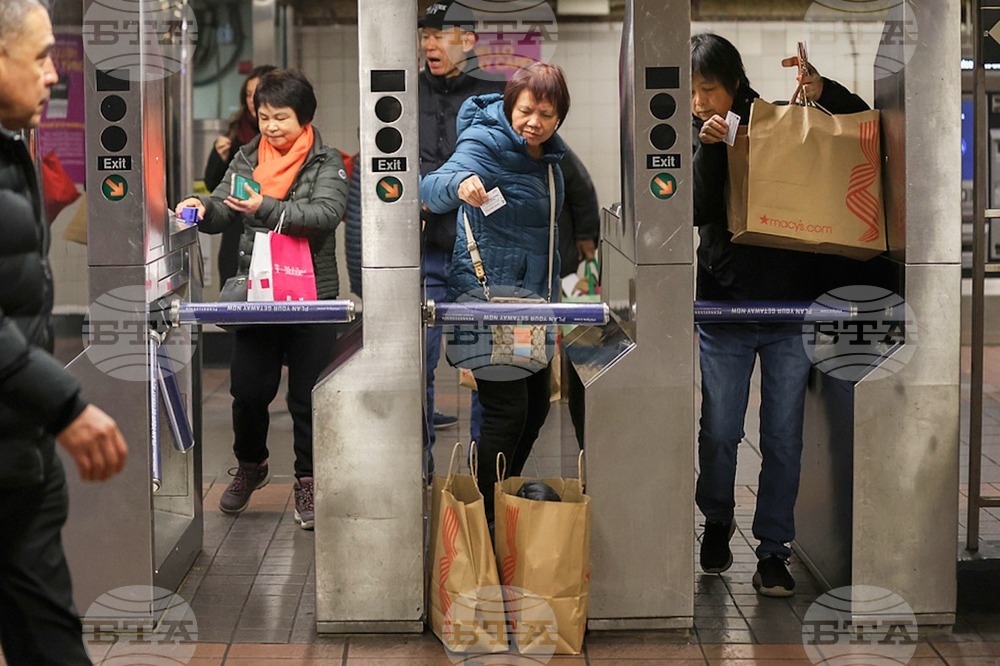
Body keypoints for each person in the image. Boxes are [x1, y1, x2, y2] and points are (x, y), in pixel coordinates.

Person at [691, 33, 868, 596]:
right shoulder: (702, 134)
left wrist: (826, 91)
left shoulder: (782, 122)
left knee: (784, 437)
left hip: (792, 308)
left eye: (708, 90)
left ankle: (773, 550)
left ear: (735, 83)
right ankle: (717, 519)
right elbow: (696, 209)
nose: (700, 101)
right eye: (691, 92)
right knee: (720, 431)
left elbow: (859, 133)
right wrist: (708, 147)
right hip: (724, 309)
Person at [0, 0, 129, 660]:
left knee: (50, 640)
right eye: (42, 56)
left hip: (18, 455)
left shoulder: (10, 148)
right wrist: (67, 406)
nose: (55, 74)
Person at [176, 69, 349, 530]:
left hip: (312, 298)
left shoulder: (327, 161)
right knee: (249, 391)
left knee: (307, 397)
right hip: (260, 293)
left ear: (304, 117)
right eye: (265, 116)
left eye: (281, 118)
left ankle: (309, 478)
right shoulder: (247, 157)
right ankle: (250, 465)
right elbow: (220, 204)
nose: (271, 127)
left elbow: (326, 213)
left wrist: (264, 209)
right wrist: (200, 211)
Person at [421, 61, 570, 522]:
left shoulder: (548, 156)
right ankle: (484, 517)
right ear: (510, 107)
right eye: (527, 110)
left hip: (531, 305)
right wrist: (459, 185)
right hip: (488, 303)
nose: (535, 122)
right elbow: (430, 187)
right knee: (507, 411)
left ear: (559, 117)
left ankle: (498, 494)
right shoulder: (484, 141)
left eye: (546, 114)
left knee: (534, 410)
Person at [418, 0, 506, 470]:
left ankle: (484, 468)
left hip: (480, 254)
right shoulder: (404, 96)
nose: (430, 44)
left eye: (442, 35)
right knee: (419, 365)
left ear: (468, 41)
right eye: (425, 35)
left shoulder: (497, 94)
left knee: (486, 368)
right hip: (425, 253)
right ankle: (423, 468)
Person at [204, 64, 277, 286]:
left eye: (257, 94)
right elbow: (213, 186)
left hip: (272, 232)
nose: (252, 100)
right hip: (236, 232)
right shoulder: (236, 131)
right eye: (247, 95)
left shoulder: (286, 136)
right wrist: (218, 157)